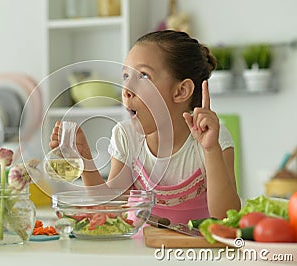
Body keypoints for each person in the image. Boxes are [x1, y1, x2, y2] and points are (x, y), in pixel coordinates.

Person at [49, 30, 241, 223]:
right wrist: (86, 163)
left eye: (144, 76)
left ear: (181, 91)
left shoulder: (212, 140)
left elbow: (226, 215)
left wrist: (211, 150)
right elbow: (113, 208)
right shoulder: (126, 136)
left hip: (194, 250)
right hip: (141, 248)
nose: (126, 90)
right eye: (125, 76)